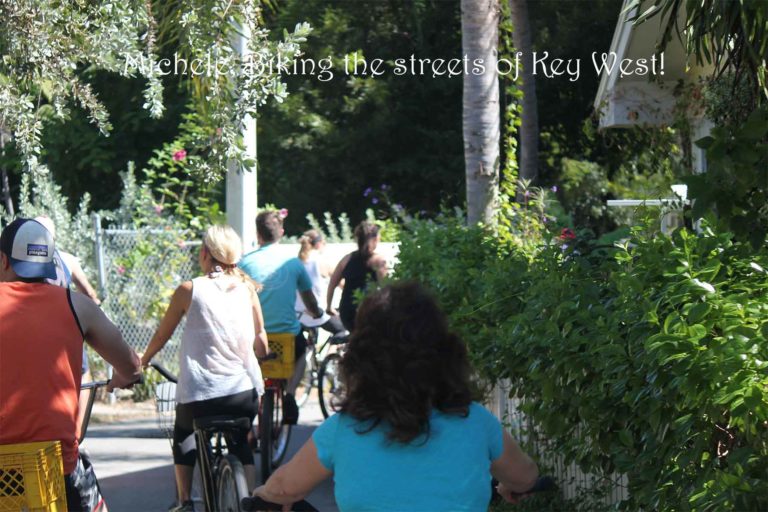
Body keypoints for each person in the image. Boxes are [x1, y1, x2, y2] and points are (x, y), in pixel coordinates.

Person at [252, 281, 539, 510]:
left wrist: (260, 495)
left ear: (362, 360)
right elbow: (525, 477)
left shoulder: (344, 429)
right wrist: (508, 486)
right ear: (445, 353)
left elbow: (283, 488)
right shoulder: (476, 421)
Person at [0, 218, 142, 512]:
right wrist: (122, 377)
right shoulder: (76, 305)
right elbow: (131, 365)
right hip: (56, 469)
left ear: (3, 261)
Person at [140, 225, 268, 512]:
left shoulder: (189, 290)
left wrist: (143, 361)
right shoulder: (247, 290)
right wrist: (263, 355)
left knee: (184, 434)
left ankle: (185, 502)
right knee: (241, 442)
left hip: (200, 394)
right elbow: (261, 340)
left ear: (205, 254)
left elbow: (161, 337)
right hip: (243, 393)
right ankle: (250, 502)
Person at [239, 211, 327, 425]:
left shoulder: (245, 263)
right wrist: (317, 313)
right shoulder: (294, 263)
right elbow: (310, 300)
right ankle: (289, 394)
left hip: (254, 338)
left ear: (258, 234)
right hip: (286, 335)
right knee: (302, 350)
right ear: (281, 233)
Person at [34, 215, 101, 435]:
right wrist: (92, 303)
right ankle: (78, 431)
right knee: (83, 372)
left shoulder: (23, 261)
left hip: (33, 325)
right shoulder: (67, 259)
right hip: (64, 325)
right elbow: (89, 293)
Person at [327, 221, 387, 331]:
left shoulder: (347, 259)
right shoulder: (378, 260)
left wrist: (329, 306)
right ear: (375, 239)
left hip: (347, 311)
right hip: (367, 311)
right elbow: (386, 288)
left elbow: (332, 284)